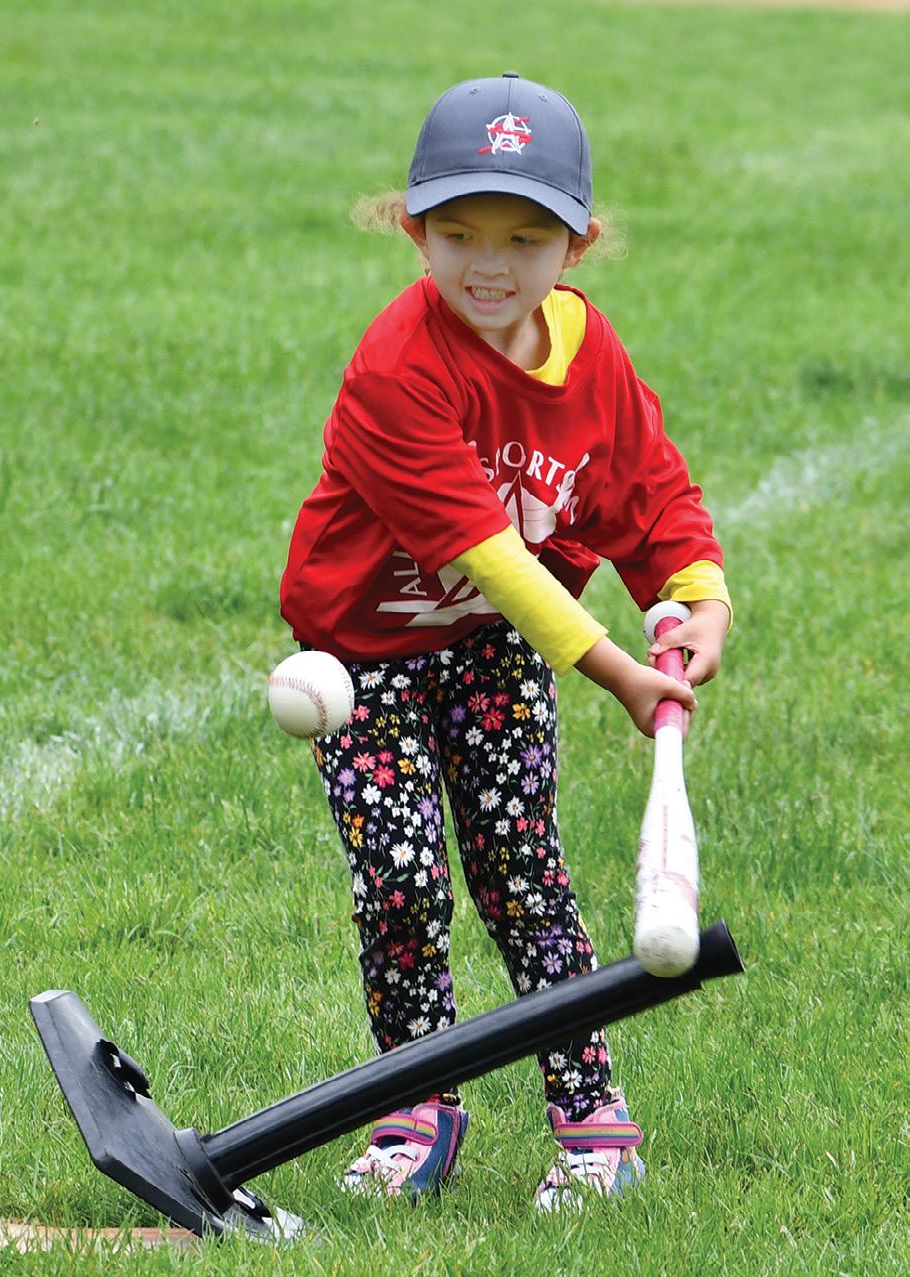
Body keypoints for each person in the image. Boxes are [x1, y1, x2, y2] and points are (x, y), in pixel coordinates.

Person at [280, 72, 731, 1210]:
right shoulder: (398, 368)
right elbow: (491, 557)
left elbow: (647, 489)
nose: (490, 262)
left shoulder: (586, 352)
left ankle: (593, 1122)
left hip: (491, 657)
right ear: (412, 226)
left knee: (522, 872)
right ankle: (417, 1110)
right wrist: (622, 672)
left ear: (575, 244)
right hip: (365, 660)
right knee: (400, 883)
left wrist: (694, 594)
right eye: (458, 232)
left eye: (526, 237)